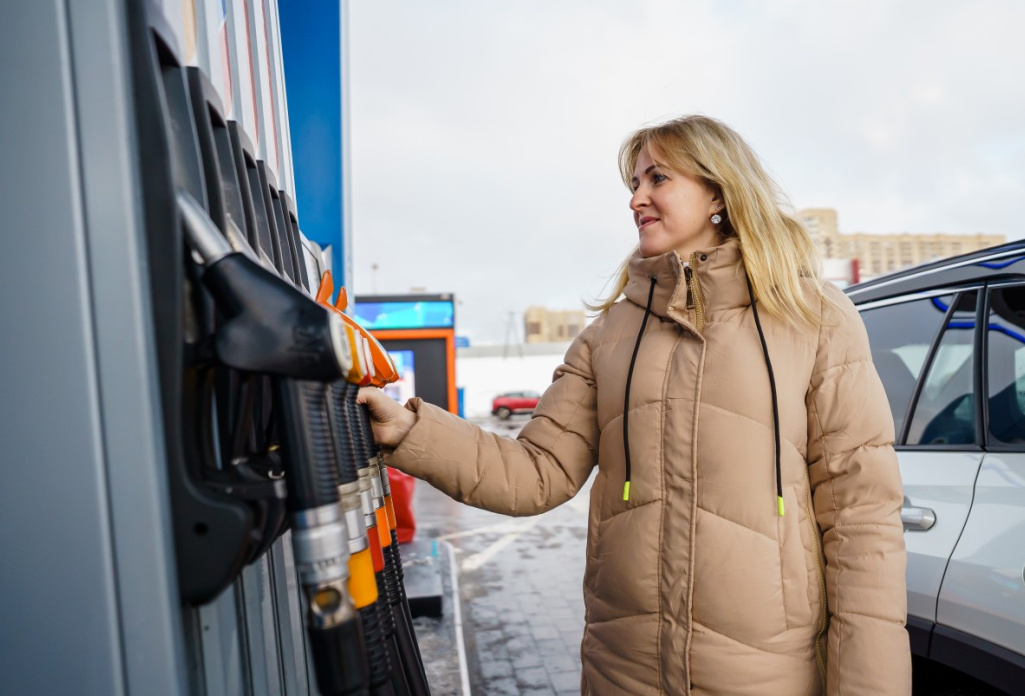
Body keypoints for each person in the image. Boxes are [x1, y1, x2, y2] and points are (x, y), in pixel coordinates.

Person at [358, 115, 909, 695]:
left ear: (718, 191)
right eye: (634, 184)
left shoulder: (812, 317)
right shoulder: (610, 336)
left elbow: (860, 518)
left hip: (766, 674)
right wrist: (410, 431)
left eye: (657, 179)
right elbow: (535, 473)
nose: (636, 199)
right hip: (624, 673)